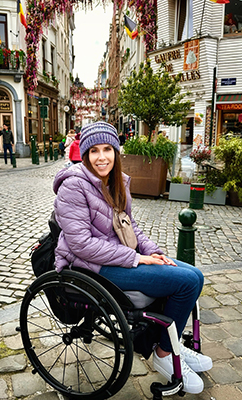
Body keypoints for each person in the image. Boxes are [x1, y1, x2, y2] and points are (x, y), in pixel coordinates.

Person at [53, 121, 212, 395]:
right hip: (92, 266)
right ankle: (163, 353)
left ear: (116, 152)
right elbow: (81, 244)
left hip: (118, 256)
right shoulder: (73, 187)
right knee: (184, 282)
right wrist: (136, 259)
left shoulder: (114, 182)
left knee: (195, 276)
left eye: (107, 150)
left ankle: (173, 346)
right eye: (94, 151)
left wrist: (152, 251)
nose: (101, 157)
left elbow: (130, 226)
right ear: (85, 154)